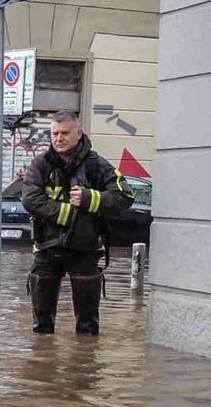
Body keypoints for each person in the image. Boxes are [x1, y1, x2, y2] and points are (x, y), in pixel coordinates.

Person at [20, 111, 134, 336]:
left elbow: (125, 197)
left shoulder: (97, 165)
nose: (58, 138)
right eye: (54, 133)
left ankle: (85, 366)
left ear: (78, 134)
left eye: (64, 133)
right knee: (41, 329)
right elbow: (29, 198)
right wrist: (66, 213)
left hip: (86, 250)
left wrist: (90, 198)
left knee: (87, 328)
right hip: (47, 249)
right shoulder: (40, 164)